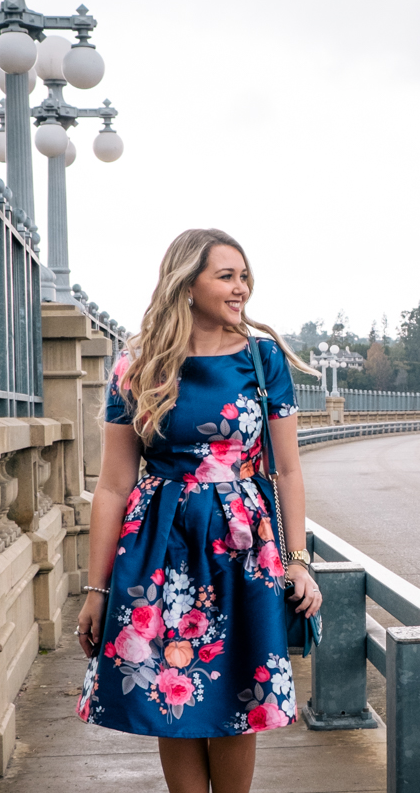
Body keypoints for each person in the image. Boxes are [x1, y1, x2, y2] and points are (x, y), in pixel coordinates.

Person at [74, 228, 322, 793]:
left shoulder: (263, 362)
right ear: (187, 285)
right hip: (159, 544)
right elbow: (113, 485)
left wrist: (298, 560)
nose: (242, 288)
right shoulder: (137, 366)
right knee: (170, 688)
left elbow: (287, 470)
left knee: (241, 690)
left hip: (244, 547)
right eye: (226, 276)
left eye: (244, 276)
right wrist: (96, 589)